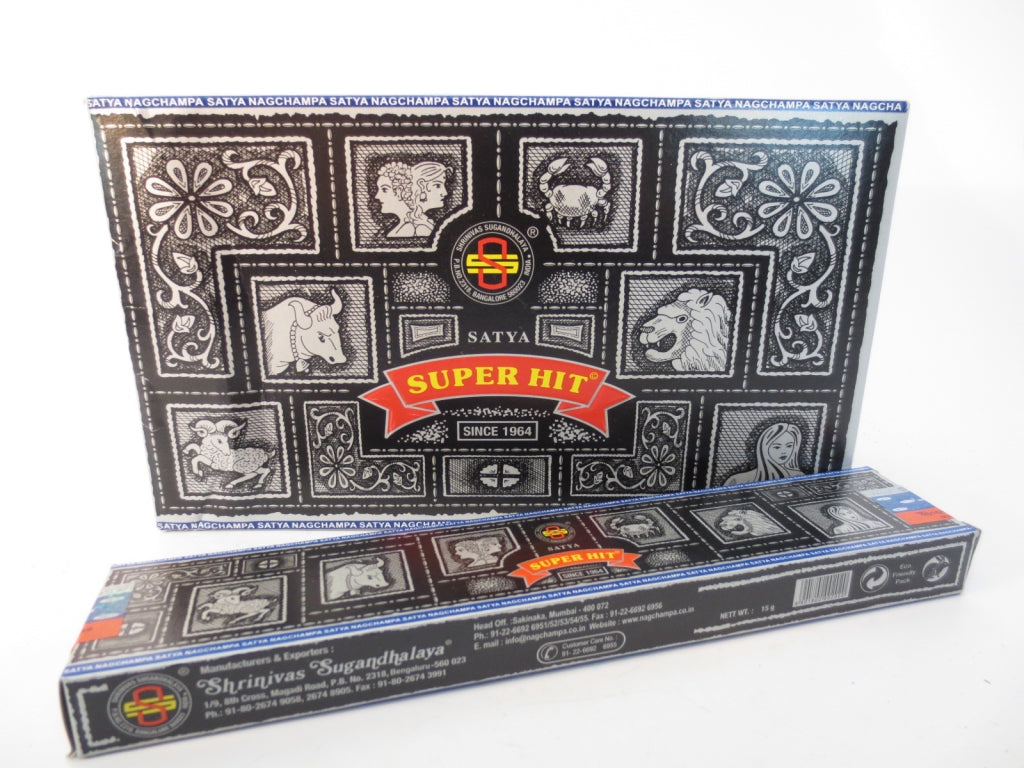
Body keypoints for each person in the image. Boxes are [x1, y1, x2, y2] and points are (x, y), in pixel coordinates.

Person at [724, 422, 804, 485]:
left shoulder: (798, 476)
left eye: (789, 446)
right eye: (777, 447)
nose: (784, 451)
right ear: (764, 448)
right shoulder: (737, 480)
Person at [374, 161, 416, 238]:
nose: (377, 196)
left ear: (400, 191)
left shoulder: (410, 228)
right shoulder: (404, 226)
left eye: (384, 190)